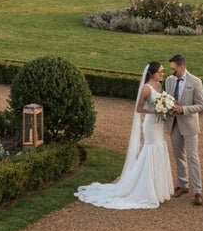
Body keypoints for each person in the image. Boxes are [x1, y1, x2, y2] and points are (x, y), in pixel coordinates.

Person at [74, 61, 174, 209]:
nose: (162, 73)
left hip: (159, 124)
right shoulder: (146, 89)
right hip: (151, 124)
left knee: (159, 147)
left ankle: (158, 188)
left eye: (163, 71)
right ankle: (147, 188)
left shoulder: (159, 86)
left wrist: (166, 108)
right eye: (160, 71)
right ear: (152, 73)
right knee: (151, 149)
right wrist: (155, 111)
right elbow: (139, 109)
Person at [165, 53, 203, 206]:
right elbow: (167, 98)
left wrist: (183, 109)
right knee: (178, 156)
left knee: (192, 157)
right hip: (173, 124)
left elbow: (201, 105)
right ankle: (183, 185)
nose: (172, 72)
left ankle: (197, 190)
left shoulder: (195, 82)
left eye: (174, 69)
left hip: (189, 125)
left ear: (182, 67)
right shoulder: (169, 81)